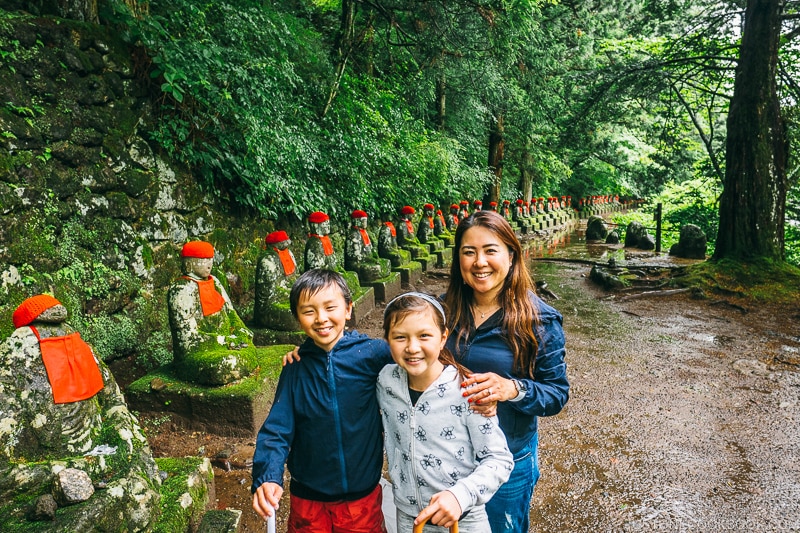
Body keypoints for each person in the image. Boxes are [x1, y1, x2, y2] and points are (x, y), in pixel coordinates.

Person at [443, 210, 569, 533]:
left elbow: (557, 393)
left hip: (507, 463)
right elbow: (399, 345)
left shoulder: (539, 321)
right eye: (469, 252)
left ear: (511, 256)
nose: (479, 262)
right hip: (446, 458)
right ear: (458, 258)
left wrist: (511, 389)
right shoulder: (441, 312)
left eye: (490, 251)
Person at [251, 269, 393, 533]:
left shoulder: (373, 354)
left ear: (348, 309)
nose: (321, 319)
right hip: (308, 499)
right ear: (297, 318)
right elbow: (277, 429)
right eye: (309, 311)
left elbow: (417, 354)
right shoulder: (295, 367)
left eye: (330, 307)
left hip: (360, 497)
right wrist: (268, 476)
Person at [378, 292, 513, 533]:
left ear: (443, 338)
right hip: (409, 518)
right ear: (387, 340)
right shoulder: (385, 381)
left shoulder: (468, 391)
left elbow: (499, 460)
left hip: (463, 520)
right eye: (400, 337)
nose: (412, 347)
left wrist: (459, 497)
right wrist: (304, 356)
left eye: (424, 336)